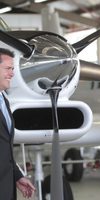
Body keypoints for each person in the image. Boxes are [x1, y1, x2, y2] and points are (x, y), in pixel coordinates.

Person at [0, 48, 35, 199]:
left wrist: (17, 175)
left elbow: (4, 149)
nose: (12, 73)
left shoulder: (4, 100)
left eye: (12, 69)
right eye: (8, 68)